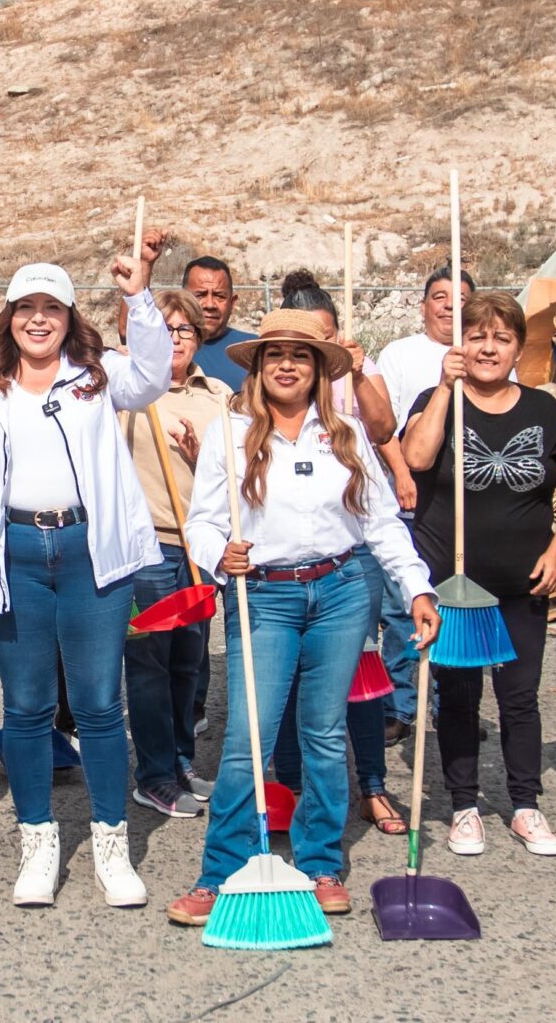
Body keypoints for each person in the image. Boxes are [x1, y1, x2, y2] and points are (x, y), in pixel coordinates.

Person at [168, 310, 441, 928]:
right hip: (262, 594)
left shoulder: (343, 433)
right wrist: (218, 555)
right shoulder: (230, 435)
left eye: (300, 354)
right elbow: (203, 522)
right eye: (274, 354)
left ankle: (321, 866)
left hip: (341, 591)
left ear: (318, 368)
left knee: (321, 734)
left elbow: (379, 522)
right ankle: (219, 874)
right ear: (259, 367)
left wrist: (417, 587)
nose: (286, 364)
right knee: (247, 740)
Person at [0, 252, 168, 908]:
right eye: (26, 309)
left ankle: (110, 846)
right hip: (12, 553)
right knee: (27, 707)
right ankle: (37, 845)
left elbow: (154, 374)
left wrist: (142, 299)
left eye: (52, 309)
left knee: (99, 703)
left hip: (88, 552)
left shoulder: (99, 378)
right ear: (8, 317)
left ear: (69, 318)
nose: (38, 321)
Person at [402, 291, 556, 857]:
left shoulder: (545, 411)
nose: (488, 348)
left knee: (520, 695)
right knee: (457, 695)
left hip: (522, 580)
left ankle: (526, 804)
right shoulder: (439, 400)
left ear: (518, 349)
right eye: (477, 336)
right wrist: (445, 389)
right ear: (461, 344)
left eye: (501, 338)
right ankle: (464, 806)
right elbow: (418, 459)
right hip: (455, 582)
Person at [265, 268, 406, 835]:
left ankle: (371, 784)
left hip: (352, 552)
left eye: (323, 340)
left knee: (359, 672)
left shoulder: (353, 376)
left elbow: (384, 427)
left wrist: (360, 366)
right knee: (296, 680)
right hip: (289, 557)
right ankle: (294, 788)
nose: (307, 355)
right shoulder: (273, 393)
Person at [121, 286, 229, 817]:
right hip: (148, 549)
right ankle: (155, 775)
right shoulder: (130, 394)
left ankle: (182, 761)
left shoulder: (219, 398)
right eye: (162, 330)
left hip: (201, 548)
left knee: (190, 663)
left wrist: (202, 454)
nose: (175, 338)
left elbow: (237, 470)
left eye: (183, 329)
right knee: (148, 666)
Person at [369, 264, 489, 741]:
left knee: (461, 600)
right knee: (405, 604)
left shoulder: (487, 353)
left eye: (461, 297)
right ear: (424, 306)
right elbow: (385, 425)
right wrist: (402, 474)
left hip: (464, 500)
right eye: (439, 296)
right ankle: (403, 703)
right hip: (414, 493)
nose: (449, 305)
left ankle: (454, 702)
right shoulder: (401, 354)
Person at [182, 256, 255, 389]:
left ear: (232, 303)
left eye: (219, 296)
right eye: (200, 295)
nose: (210, 304)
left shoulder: (253, 350)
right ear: (182, 300)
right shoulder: (167, 347)